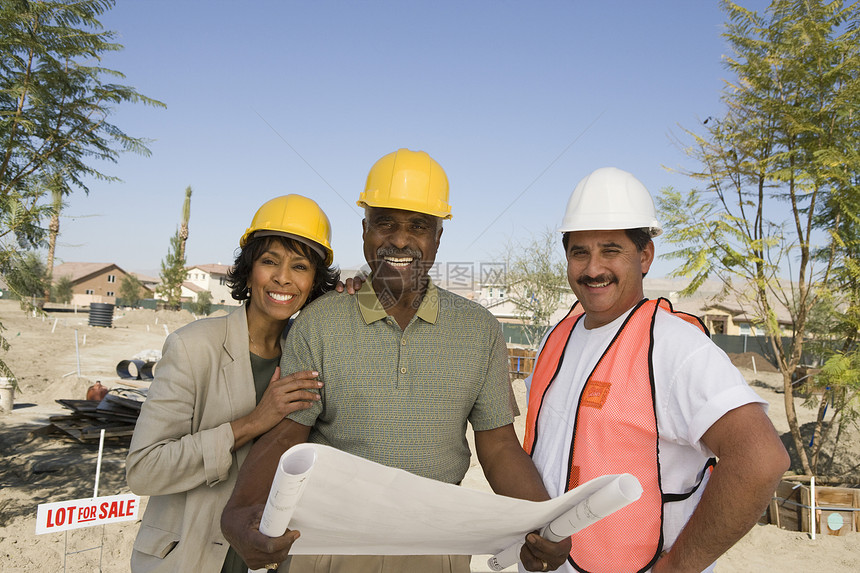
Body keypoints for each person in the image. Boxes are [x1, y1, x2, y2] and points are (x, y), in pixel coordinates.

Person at [221, 148, 572, 573]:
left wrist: (544, 524)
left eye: (419, 226)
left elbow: (497, 445)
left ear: (438, 237)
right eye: (385, 222)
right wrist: (239, 510)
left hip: (435, 544)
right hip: (330, 544)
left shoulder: (479, 330)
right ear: (365, 231)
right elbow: (287, 435)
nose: (401, 240)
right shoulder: (319, 323)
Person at [521, 167, 790, 573]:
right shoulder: (557, 337)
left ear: (644, 255)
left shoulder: (675, 348)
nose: (593, 268)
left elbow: (762, 459)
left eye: (610, 250)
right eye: (580, 252)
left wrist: (678, 567)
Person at [126, 194, 340, 573]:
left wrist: (354, 301)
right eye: (269, 261)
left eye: (300, 266)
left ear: (314, 282)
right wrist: (252, 423)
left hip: (263, 559)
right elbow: (144, 469)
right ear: (248, 270)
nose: (282, 278)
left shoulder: (311, 354)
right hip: (188, 557)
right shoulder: (193, 348)